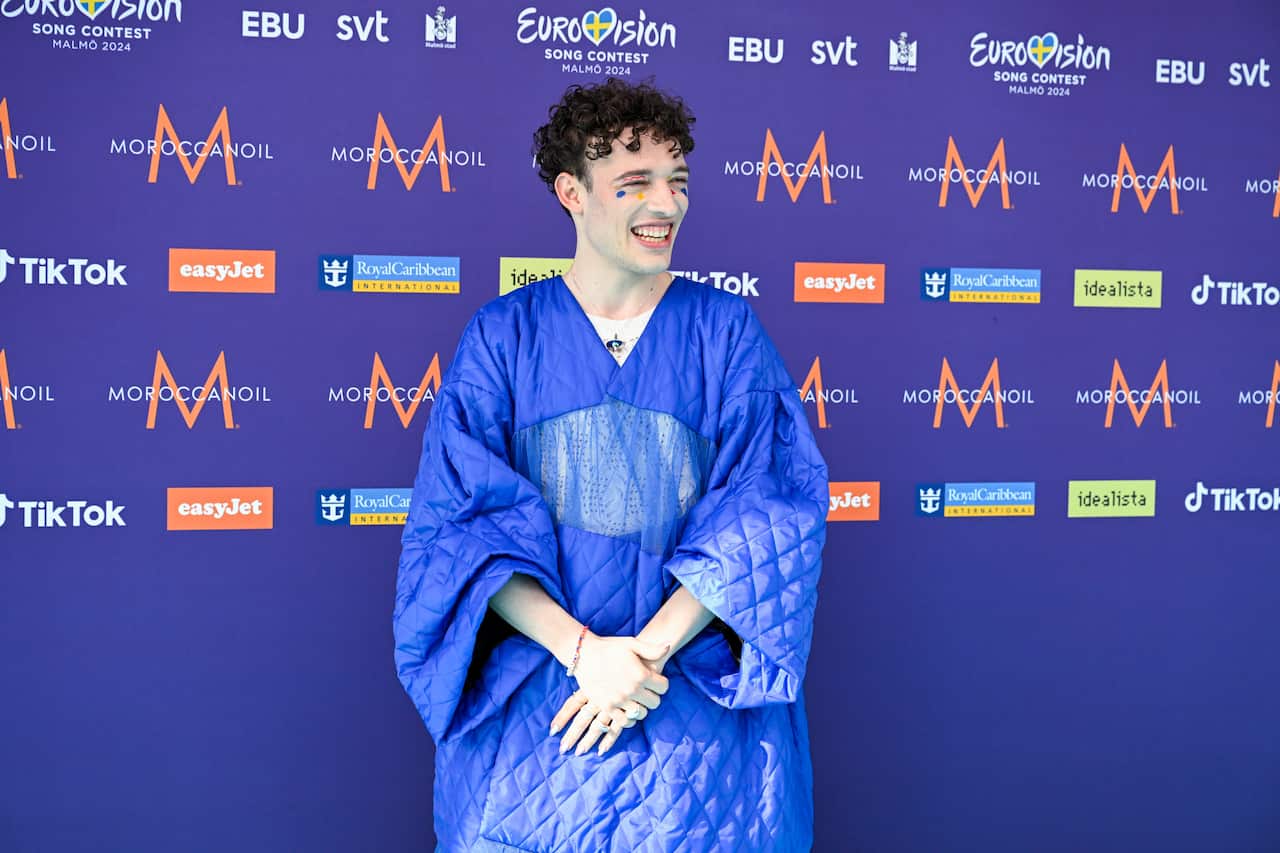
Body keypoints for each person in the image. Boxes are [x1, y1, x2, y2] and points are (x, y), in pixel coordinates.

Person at [393, 78, 828, 852]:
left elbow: (767, 515)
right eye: (635, 183)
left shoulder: (726, 332)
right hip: (543, 718)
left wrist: (642, 657)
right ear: (573, 192)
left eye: (676, 180)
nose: (666, 204)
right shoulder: (502, 338)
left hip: (692, 720)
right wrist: (584, 653)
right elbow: (460, 527)